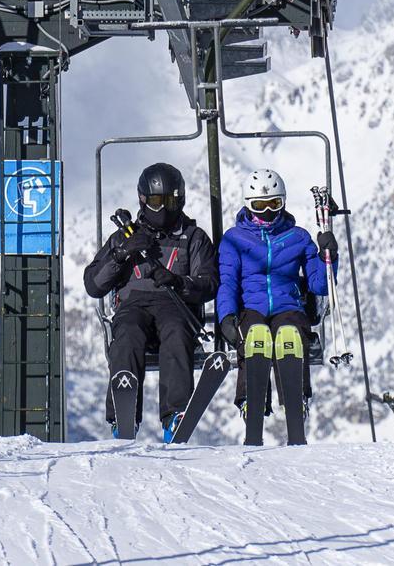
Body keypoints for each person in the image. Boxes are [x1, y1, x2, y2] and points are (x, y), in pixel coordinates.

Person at [84, 162, 219, 441]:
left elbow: (209, 283)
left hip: (176, 306)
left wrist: (178, 281)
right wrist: (120, 254)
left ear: (180, 199)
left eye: (170, 200)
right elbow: (94, 285)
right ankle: (123, 417)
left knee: (176, 332)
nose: (164, 208)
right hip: (133, 306)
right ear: (143, 200)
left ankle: (175, 414)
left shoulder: (193, 238)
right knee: (127, 335)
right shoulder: (125, 237)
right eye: (157, 201)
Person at [216, 168, 338, 419]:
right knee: (255, 335)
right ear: (249, 206)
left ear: (283, 202)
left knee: (289, 334)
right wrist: (226, 316)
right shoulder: (234, 239)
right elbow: (227, 283)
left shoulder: (298, 237)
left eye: (274, 204)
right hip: (251, 307)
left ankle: (296, 397)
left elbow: (320, 285)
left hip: (288, 307)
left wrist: (328, 257)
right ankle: (252, 399)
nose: (268, 212)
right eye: (260, 205)